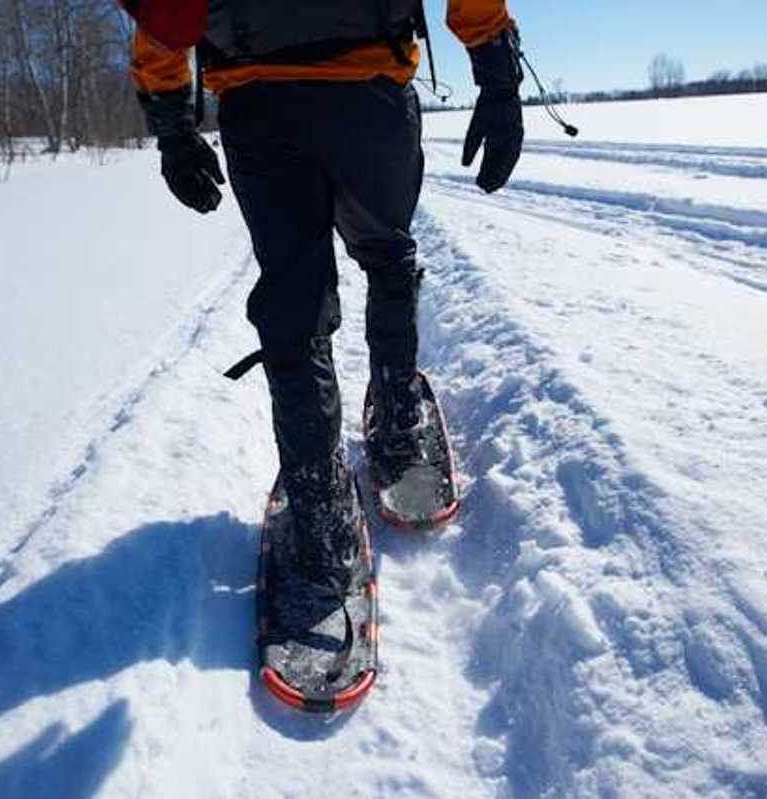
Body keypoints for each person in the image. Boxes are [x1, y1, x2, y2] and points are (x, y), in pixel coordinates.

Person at [123, 0, 524, 692]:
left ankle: (320, 521)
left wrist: (170, 123)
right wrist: (494, 69)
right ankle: (395, 422)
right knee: (386, 255)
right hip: (367, 98)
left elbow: (165, 15)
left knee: (295, 304)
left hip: (260, 107)